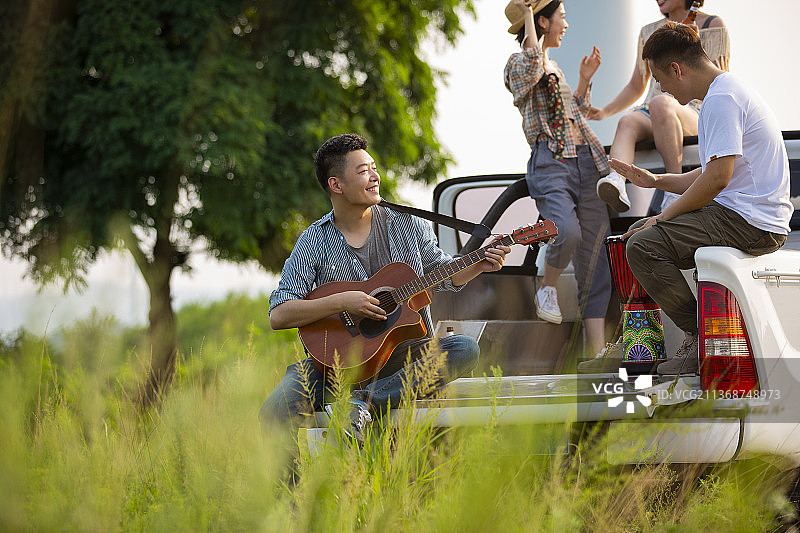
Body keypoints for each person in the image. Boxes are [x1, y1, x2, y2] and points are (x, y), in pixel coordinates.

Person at [260, 133, 510, 444]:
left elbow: (446, 274)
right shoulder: (314, 241)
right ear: (336, 185)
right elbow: (279, 315)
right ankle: (289, 493)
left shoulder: (408, 224)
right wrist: (342, 302)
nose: (375, 176)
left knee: (463, 349)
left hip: (403, 357)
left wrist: (479, 264)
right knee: (273, 412)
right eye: (363, 171)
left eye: (374, 167)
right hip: (337, 365)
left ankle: (363, 404)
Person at [610, 22, 791, 375]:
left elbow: (717, 179)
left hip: (749, 221)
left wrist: (661, 218)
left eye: (660, 80)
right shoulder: (725, 92)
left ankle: (701, 338)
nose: (661, 89)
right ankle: (693, 335)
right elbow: (713, 172)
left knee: (643, 246)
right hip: (748, 215)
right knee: (646, 234)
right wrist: (656, 180)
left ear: (676, 69)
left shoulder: (721, 101)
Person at [503, 0, 612, 358]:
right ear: (543, 21)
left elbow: (576, 115)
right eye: (562, 17)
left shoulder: (556, 68)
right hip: (552, 161)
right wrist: (532, 24)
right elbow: (532, 66)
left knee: (594, 259)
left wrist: (583, 80)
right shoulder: (518, 64)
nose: (567, 24)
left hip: (585, 162)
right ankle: (547, 288)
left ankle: (596, 354)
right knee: (565, 229)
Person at [588, 0, 730, 214]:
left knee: (661, 103)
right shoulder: (649, 32)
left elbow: (719, 75)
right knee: (628, 121)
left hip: (694, 108)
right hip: (653, 109)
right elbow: (637, 85)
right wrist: (603, 112)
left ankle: (673, 193)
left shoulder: (712, 24)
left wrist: (693, 46)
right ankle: (617, 179)